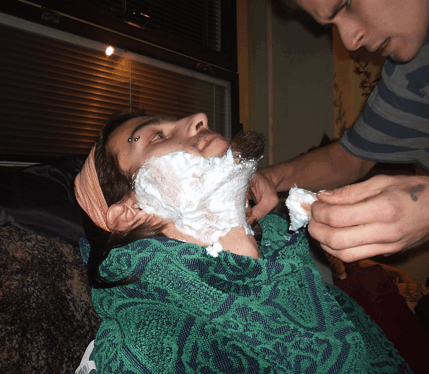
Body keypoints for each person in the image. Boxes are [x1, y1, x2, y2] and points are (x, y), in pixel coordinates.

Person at [73, 111, 410, 373]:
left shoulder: (290, 258)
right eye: (156, 135)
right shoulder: (146, 348)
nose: (198, 118)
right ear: (131, 212)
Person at [248, 0, 429, 263]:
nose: (349, 42)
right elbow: (350, 157)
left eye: (345, 4)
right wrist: (268, 178)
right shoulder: (406, 77)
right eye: (332, 24)